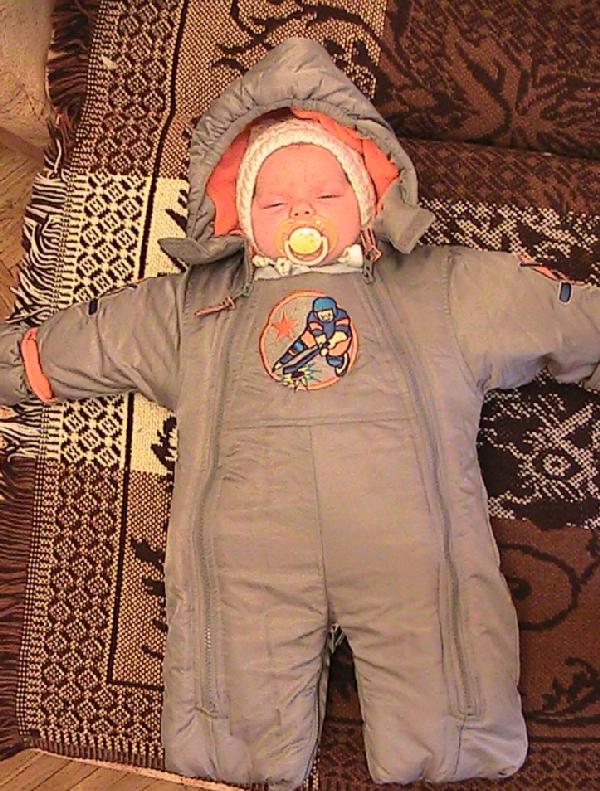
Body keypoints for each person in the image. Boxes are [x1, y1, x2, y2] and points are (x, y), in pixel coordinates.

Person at [1, 37, 599, 791]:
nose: (302, 212)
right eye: (275, 202)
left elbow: (560, 316)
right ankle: (244, 753)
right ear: (238, 217)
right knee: (238, 726)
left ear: (372, 198)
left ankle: (448, 744)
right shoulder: (196, 308)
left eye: (327, 195)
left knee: (442, 685)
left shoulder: (442, 287)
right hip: (251, 541)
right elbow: (92, 337)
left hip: (406, 536)